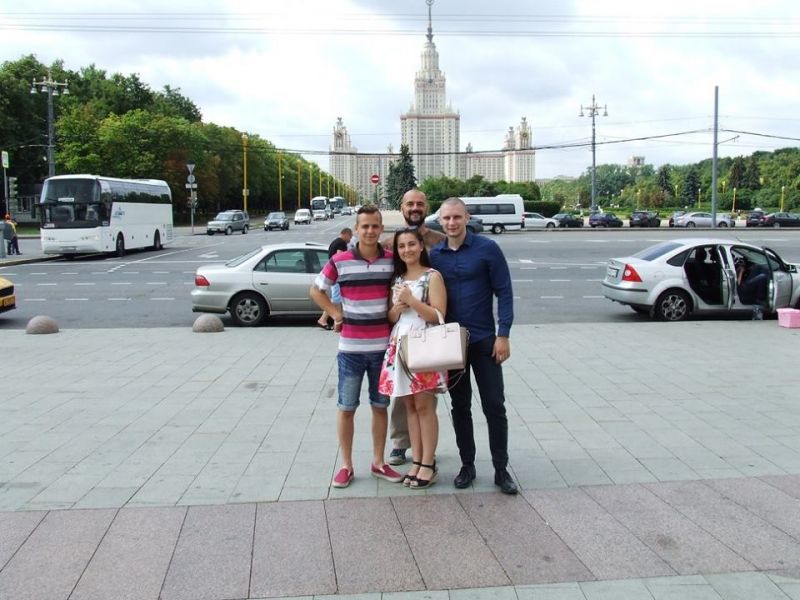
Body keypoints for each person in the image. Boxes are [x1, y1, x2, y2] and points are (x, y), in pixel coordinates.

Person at [309, 206, 403, 488]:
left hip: (382, 350)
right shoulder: (340, 261)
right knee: (346, 408)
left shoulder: (392, 261)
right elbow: (316, 289)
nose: (370, 231)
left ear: (381, 228)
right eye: (365, 226)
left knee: (380, 406)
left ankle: (378, 462)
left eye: (375, 226)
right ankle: (346, 465)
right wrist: (334, 313)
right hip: (350, 350)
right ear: (356, 229)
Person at [430, 197, 518, 495]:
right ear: (440, 221)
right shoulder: (435, 255)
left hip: (485, 342)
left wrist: (503, 334)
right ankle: (467, 465)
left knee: (494, 405)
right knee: (460, 406)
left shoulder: (487, 249)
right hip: (451, 344)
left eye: (457, 217)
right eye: (446, 218)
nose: (452, 223)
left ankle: (501, 469)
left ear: (466, 218)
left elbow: (504, 292)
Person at [378, 227, 447, 489]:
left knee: (425, 407)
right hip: (400, 344)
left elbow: (438, 315)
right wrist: (397, 307)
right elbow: (391, 316)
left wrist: (412, 301)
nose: (406, 250)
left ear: (421, 246)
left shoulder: (432, 277)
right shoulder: (397, 278)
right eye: (401, 246)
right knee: (409, 406)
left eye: (411, 244)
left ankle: (428, 463)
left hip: (424, 344)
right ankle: (417, 461)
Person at [317, 227, 352, 330]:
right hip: (337, 275)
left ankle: (328, 320)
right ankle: (330, 321)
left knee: (337, 298)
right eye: (350, 237)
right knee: (336, 299)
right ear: (346, 234)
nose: (350, 240)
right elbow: (339, 256)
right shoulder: (341, 243)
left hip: (334, 274)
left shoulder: (334, 242)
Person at [735, 254, 769, 319]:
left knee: (759, 268)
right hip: (742, 288)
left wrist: (750, 268)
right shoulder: (739, 269)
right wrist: (741, 271)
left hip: (747, 284)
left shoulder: (750, 268)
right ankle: (760, 300)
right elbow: (738, 283)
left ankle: (761, 297)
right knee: (762, 277)